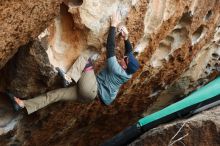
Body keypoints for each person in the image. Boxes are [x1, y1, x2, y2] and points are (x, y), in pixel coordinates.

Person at [7, 12, 140, 114]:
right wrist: (126, 38)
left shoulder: (116, 69)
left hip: (92, 89)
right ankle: (23, 104)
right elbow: (129, 52)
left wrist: (113, 25)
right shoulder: (127, 72)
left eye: (124, 59)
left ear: (124, 66)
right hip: (88, 96)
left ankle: (69, 77)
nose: (123, 57)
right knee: (56, 95)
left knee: (85, 60)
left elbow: (110, 48)